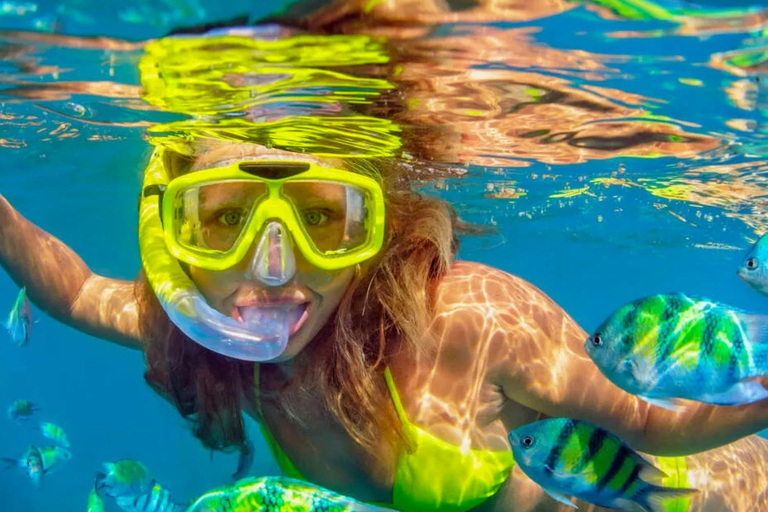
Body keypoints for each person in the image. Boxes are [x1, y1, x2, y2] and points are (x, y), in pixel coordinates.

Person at [3, 2, 768, 512]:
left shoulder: (468, 321)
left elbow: (653, 422)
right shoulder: (194, 327)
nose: (274, 268)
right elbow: (70, 292)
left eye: (323, 220)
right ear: (170, 233)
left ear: (379, 223)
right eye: (225, 219)